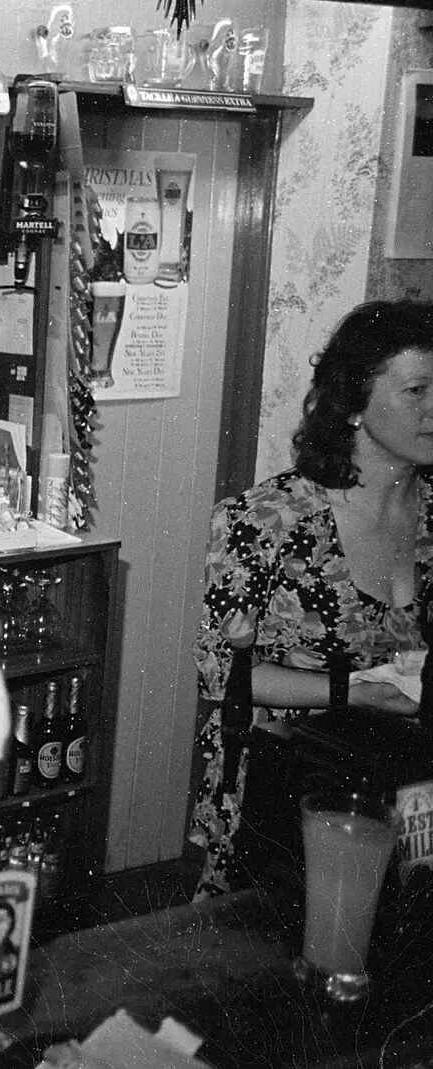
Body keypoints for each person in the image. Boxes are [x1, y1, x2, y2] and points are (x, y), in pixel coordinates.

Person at [191, 299, 433, 898]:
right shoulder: (265, 518)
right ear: (352, 401)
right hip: (290, 789)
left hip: (406, 786)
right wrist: (357, 692)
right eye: (417, 390)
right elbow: (223, 674)